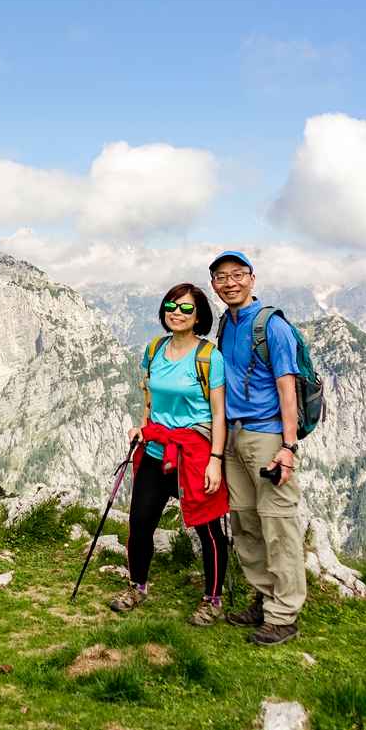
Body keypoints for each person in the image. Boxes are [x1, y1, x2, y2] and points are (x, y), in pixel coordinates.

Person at [110, 283, 230, 626]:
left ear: (199, 316)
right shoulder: (153, 350)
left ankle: (213, 598)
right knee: (140, 522)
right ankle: (137, 586)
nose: (176, 313)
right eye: (171, 306)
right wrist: (141, 427)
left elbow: (218, 414)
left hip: (195, 452)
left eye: (186, 308)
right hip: (154, 448)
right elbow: (150, 398)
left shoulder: (209, 358)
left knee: (208, 529)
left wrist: (216, 461)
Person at [209, 251, 305, 645]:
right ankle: (266, 600)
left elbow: (287, 387)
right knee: (246, 523)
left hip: (266, 438)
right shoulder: (225, 324)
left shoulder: (272, 327)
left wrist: (289, 447)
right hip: (232, 436)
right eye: (221, 277)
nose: (229, 282)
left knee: (278, 525)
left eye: (237, 275)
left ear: (251, 278)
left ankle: (284, 615)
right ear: (214, 284)